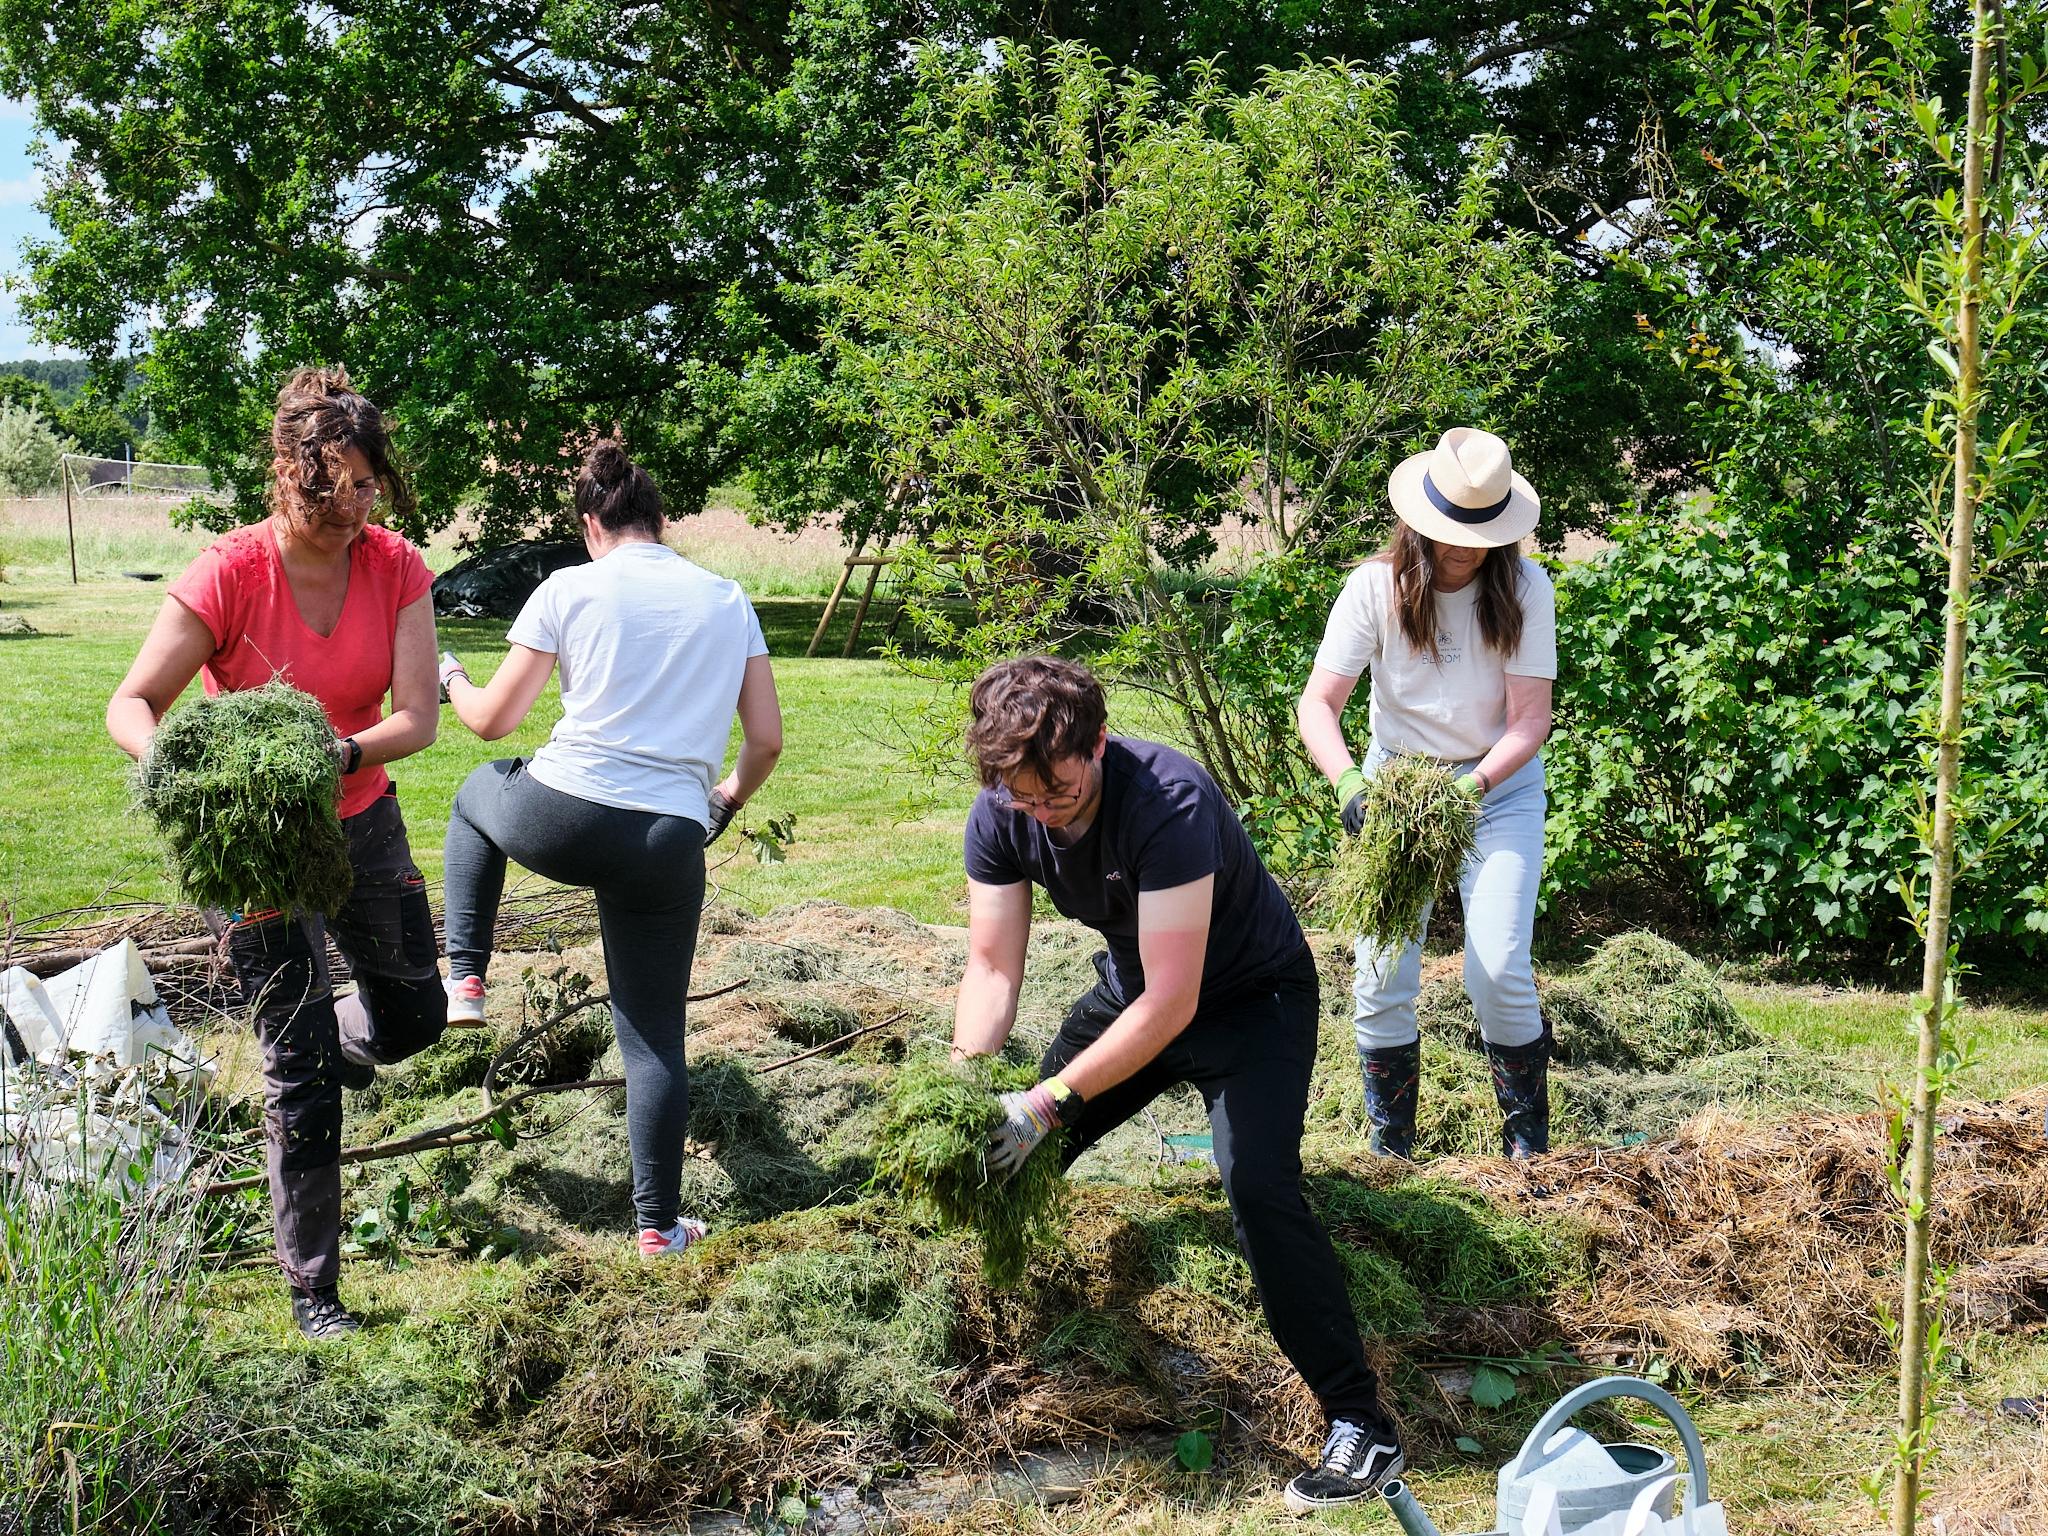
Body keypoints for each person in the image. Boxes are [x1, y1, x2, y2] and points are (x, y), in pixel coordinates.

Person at [951, 655, 1404, 1512]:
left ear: (1098, 745)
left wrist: (1046, 1102)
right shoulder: (1003, 810)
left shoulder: (1169, 801)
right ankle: (989, 1336)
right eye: (1024, 798)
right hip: (1136, 995)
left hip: (1248, 1003)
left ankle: (1361, 1422)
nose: (1042, 811)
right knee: (998, 1161)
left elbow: (1174, 1003)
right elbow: (991, 967)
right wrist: (968, 1087)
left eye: (1057, 792)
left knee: (1259, 1188)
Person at [107, 366, 446, 1341]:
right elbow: (132, 705)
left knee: (418, 1014)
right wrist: (195, 775)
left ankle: (336, 1046)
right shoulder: (231, 571)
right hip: (254, 846)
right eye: (333, 487)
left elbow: (418, 719)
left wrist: (340, 754)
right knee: (297, 1069)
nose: (354, 506)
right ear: (290, 476)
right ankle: (313, 1291)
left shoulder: (396, 568)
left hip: (361, 819)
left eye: (367, 485)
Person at [437, 440, 782, 1260]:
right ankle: (659, 1229)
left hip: (562, 818)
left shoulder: (569, 586)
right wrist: (724, 801)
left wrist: (448, 673)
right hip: (666, 840)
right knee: (654, 1038)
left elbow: (492, 721)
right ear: (660, 521)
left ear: (592, 526)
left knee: (476, 794)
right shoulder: (727, 598)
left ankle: (465, 979)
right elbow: (766, 740)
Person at [1295, 427, 1557, 1160]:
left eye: (1481, 532)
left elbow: (1529, 722)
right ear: (1420, 520)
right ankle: (1392, 1149)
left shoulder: (1525, 590)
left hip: (1495, 789)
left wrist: (1470, 788)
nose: (1465, 548)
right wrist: (1349, 782)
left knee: (1498, 967)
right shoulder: (1374, 588)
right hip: (1395, 789)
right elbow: (1318, 704)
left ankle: (1527, 1149)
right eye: (1452, 531)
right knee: (1381, 970)